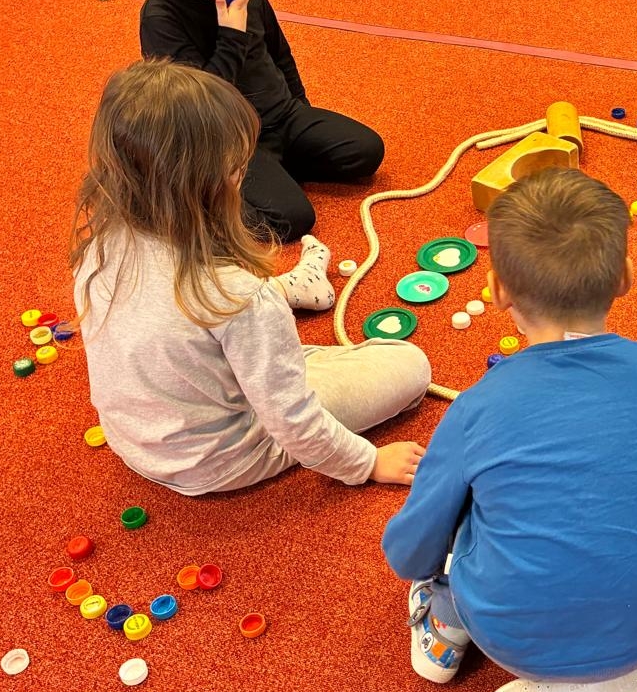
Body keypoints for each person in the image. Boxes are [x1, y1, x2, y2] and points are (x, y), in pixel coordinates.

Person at [381, 168, 637, 692]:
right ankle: (604, 647)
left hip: (509, 638)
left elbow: (411, 549)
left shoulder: (476, 407)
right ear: (625, 276)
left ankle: (444, 622)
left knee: (466, 513)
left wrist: (427, 570)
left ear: (497, 290)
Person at [73, 59, 430, 496]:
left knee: (251, 339)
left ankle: (292, 292)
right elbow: (291, 419)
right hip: (225, 457)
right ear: (208, 182)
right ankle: (289, 300)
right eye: (237, 167)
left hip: (135, 440)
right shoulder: (239, 296)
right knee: (408, 363)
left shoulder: (100, 243)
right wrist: (367, 462)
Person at [132, 0, 385, 242]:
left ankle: (276, 170)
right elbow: (199, 106)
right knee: (293, 219)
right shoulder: (161, 19)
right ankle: (209, 197)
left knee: (366, 151)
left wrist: (301, 110)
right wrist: (231, 37)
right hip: (230, 141)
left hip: (283, 117)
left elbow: (279, 52)